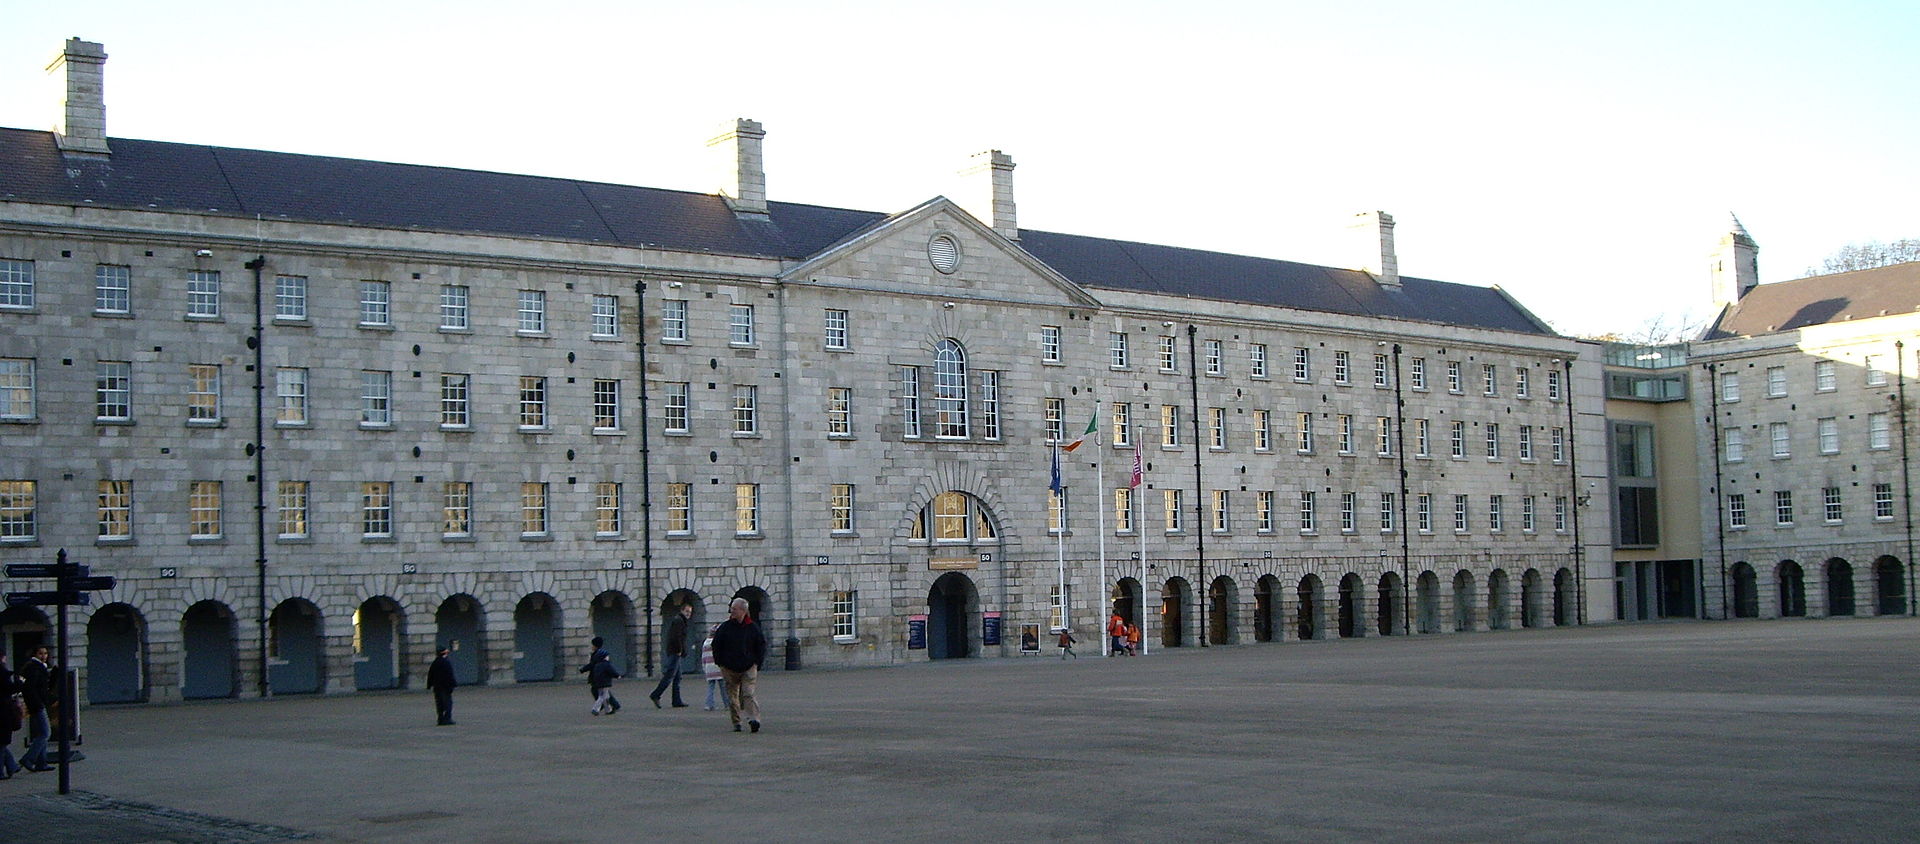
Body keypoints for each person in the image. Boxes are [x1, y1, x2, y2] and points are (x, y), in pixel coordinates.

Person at [708, 597, 766, 733]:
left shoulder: (753, 628)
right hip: (729, 667)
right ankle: (737, 721)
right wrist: (719, 662)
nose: (731, 611)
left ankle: (754, 719)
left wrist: (758, 663)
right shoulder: (725, 627)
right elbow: (716, 644)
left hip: (749, 666)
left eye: (734, 609)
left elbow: (761, 645)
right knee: (733, 697)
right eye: (731, 609)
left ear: (743, 611)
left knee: (748, 693)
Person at [650, 603, 692, 708]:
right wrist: (679, 650)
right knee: (670, 675)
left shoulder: (680, 620)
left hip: (675, 651)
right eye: (687, 611)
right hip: (675, 652)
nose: (688, 614)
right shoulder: (679, 621)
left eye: (690, 612)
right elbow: (676, 637)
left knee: (677, 677)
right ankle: (656, 694)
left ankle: (676, 700)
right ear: (682, 610)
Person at [19, 646, 52, 771]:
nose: (43, 656)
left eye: (45, 653)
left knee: (41, 732)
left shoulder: (38, 667)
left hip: (37, 703)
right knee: (45, 733)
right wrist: (38, 703)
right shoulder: (35, 668)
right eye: (40, 653)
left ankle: (41, 762)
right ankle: (28, 758)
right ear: (35, 654)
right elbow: (31, 688)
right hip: (37, 704)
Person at [582, 636, 621, 713]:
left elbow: (592, 665)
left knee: (599, 692)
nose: (592, 647)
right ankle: (610, 707)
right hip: (600, 677)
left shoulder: (598, 655)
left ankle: (600, 707)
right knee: (604, 693)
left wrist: (583, 669)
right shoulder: (600, 654)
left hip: (598, 676)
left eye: (592, 645)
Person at [0, 652, 22, 779]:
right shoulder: (3, 672)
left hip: (3, 709)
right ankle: (6, 768)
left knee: (2, 743)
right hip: (3, 710)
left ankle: (12, 765)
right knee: (2, 743)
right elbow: (10, 688)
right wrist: (19, 683)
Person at [425, 645, 457, 726]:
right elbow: (450, 674)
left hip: (437, 687)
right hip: (446, 687)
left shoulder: (435, 662)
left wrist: (429, 685)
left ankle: (440, 718)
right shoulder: (446, 662)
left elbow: (430, 675)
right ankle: (447, 718)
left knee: (439, 703)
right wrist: (453, 684)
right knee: (448, 703)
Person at [699, 628, 723, 711]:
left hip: (709, 668)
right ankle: (728, 704)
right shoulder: (719, 642)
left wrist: (704, 667)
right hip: (718, 667)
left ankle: (709, 705)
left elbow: (703, 657)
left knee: (710, 688)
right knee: (723, 688)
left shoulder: (705, 643)